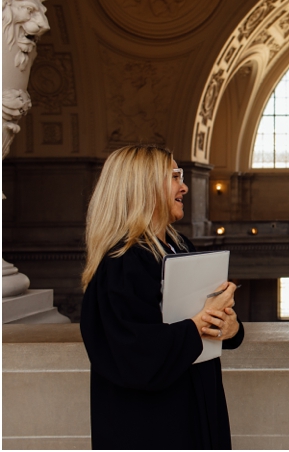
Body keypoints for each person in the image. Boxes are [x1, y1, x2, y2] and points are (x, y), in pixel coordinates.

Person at [80, 145, 244, 449]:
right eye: (174, 176)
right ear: (144, 186)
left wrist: (230, 327)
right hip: (149, 426)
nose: (184, 186)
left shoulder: (181, 246)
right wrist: (200, 322)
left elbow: (203, 318)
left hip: (195, 410)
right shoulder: (122, 264)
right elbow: (134, 354)